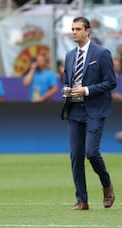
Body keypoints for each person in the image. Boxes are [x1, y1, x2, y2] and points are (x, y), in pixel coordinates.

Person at [61, 16, 116, 210]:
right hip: (75, 110)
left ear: (87, 31)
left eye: (77, 29)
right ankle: (82, 200)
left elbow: (111, 82)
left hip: (94, 110)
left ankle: (106, 184)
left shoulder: (101, 53)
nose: (74, 32)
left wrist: (87, 90)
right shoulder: (69, 56)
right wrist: (67, 90)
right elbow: (67, 80)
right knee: (76, 156)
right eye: (72, 29)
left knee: (91, 153)